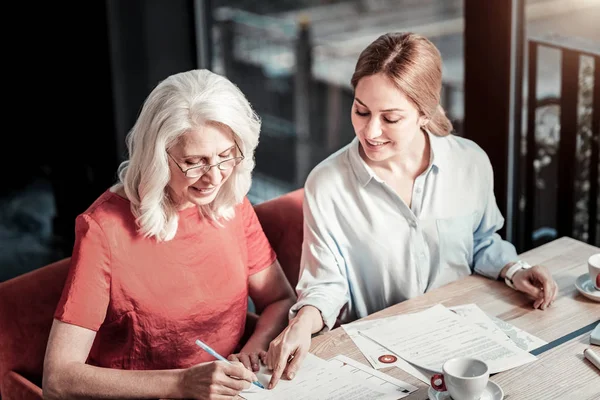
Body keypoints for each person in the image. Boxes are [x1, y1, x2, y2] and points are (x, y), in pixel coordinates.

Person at [265, 32, 558, 388]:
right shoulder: (327, 184)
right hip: (381, 360)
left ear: (425, 113)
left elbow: (481, 241)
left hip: (467, 340)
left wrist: (514, 268)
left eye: (390, 118)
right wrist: (302, 324)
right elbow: (326, 284)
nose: (370, 131)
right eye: (361, 110)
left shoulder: (470, 162)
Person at [42, 69, 296, 399]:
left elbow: (279, 299)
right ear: (157, 157)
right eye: (195, 162)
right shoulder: (104, 228)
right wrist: (182, 383)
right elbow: (58, 379)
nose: (214, 177)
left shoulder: (229, 202)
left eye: (225, 156)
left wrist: (253, 349)